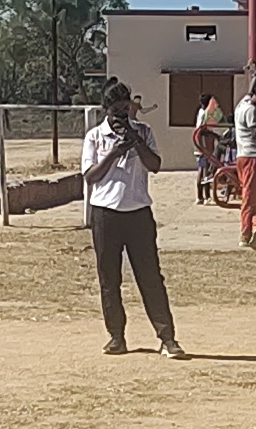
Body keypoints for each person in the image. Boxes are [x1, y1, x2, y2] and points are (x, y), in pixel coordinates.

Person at [77, 82, 186, 358]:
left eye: (126, 109)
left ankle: (167, 338)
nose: (122, 116)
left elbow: (156, 166)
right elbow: (90, 177)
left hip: (138, 213)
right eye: (117, 111)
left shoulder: (144, 132)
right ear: (106, 111)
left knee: (150, 277)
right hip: (105, 214)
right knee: (109, 278)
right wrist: (114, 151)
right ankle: (116, 336)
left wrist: (134, 140)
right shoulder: (95, 137)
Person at [231, 74, 256, 247]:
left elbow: (251, 90)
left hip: (243, 155)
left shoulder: (242, 104)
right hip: (252, 156)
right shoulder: (252, 111)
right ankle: (245, 234)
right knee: (250, 196)